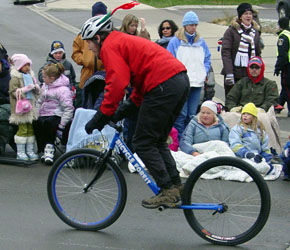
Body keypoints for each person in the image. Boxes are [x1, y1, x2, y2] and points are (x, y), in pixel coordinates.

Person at [81, 14, 190, 209]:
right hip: (177, 81)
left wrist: (102, 115)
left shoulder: (110, 46)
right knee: (157, 140)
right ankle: (175, 185)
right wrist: (120, 112)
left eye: (89, 42)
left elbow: (116, 83)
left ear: (98, 38)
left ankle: (167, 190)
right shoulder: (122, 42)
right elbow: (140, 88)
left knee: (143, 141)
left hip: (163, 84)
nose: (89, 47)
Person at [223, 56, 281, 154]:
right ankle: (229, 147)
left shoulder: (269, 84)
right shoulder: (241, 83)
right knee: (227, 116)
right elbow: (231, 97)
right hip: (241, 112)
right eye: (252, 67)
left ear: (261, 68)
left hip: (259, 112)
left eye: (257, 67)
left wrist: (262, 108)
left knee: (263, 118)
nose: (254, 70)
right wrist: (232, 108)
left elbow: (272, 99)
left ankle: (271, 150)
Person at [167, 11, 211, 139]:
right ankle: (179, 140)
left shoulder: (201, 42)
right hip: (182, 84)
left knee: (192, 114)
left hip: (197, 83)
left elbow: (207, 58)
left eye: (195, 25)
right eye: (191, 25)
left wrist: (205, 71)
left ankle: (188, 139)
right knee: (181, 114)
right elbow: (169, 60)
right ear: (185, 25)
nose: (193, 28)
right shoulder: (175, 42)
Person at [33, 63, 74, 165]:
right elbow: (39, 101)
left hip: (58, 114)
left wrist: (62, 125)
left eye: (44, 77)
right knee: (37, 122)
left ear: (52, 78)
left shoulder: (63, 90)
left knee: (49, 123)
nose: (42, 79)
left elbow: (68, 108)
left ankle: (49, 148)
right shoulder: (45, 86)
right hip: (45, 112)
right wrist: (36, 113)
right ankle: (42, 148)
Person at [221, 3, 261, 99]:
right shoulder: (231, 31)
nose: (248, 16)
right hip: (234, 75)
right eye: (245, 13)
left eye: (250, 13)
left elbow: (258, 53)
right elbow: (226, 53)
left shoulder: (255, 33)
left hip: (249, 74)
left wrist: (259, 72)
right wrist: (229, 73)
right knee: (233, 104)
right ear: (240, 16)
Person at [9, 54, 40, 161]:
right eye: (25, 65)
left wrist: (36, 88)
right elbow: (13, 92)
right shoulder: (15, 79)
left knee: (30, 130)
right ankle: (21, 152)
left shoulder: (31, 76)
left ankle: (30, 150)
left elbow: (37, 92)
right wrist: (24, 90)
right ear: (19, 66)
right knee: (23, 130)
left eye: (28, 65)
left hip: (30, 108)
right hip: (21, 109)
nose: (27, 67)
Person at [71, 1, 107, 89]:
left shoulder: (109, 33)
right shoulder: (84, 34)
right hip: (87, 74)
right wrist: (84, 59)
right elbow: (75, 52)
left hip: (105, 74)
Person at [274, 16, 290, 117]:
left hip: (287, 66)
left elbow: (283, 55)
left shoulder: (283, 37)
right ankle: (279, 105)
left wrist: (277, 67)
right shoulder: (289, 34)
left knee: (287, 87)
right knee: (285, 87)